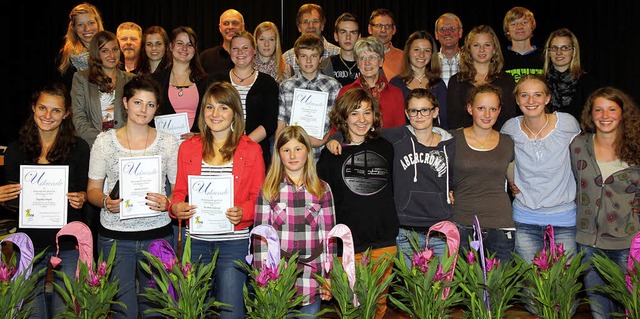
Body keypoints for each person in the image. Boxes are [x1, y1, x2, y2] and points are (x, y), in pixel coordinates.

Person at [169, 81, 265, 319]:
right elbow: (179, 193)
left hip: (234, 243)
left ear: (234, 112)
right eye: (210, 107)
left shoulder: (251, 149)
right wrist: (176, 208)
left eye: (223, 107)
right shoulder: (188, 148)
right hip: (196, 243)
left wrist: (244, 212)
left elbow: (260, 199)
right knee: (194, 312)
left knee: (231, 313)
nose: (215, 114)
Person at [85, 75, 178, 319]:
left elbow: (178, 191)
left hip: (157, 236)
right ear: (125, 103)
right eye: (138, 102)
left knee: (156, 310)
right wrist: (105, 201)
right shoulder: (104, 142)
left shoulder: (168, 143)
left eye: (150, 104)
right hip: (115, 239)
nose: (143, 109)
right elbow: (92, 190)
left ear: (157, 108)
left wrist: (168, 203)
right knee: (122, 311)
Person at [326, 88, 455, 260]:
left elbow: (461, 172)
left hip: (415, 231)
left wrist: (452, 188)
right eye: (413, 111)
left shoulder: (450, 143)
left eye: (425, 110)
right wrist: (335, 138)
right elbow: (354, 132)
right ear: (407, 114)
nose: (419, 115)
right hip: (366, 236)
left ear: (435, 112)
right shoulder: (395, 138)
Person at [2, 82, 90, 319]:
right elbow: (14, 205)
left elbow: (85, 193)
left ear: (66, 114)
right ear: (33, 108)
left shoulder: (79, 149)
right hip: (29, 244)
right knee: (32, 311)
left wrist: (82, 197)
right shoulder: (15, 150)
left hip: (68, 243)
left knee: (66, 311)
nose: (48, 116)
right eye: (43, 108)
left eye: (56, 110)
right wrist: (3, 197)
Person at [317, 88, 398, 319]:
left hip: (383, 239)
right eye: (354, 113)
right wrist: (332, 140)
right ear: (343, 117)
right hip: (347, 244)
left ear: (374, 116)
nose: (362, 120)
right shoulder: (331, 154)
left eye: (367, 112)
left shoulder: (386, 148)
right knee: (348, 306)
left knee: (378, 304)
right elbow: (322, 199)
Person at [570, 87, 640, 319]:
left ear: (622, 113)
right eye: (598, 110)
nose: (605, 115)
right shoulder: (579, 146)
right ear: (591, 114)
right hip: (588, 242)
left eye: (612, 109)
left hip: (626, 243)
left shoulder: (637, 148)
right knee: (599, 311)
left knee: (628, 309)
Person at [253, 125, 335, 318]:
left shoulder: (322, 189)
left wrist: (329, 276)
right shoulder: (268, 190)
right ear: (278, 153)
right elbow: (260, 240)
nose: (292, 155)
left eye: (298, 149)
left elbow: (329, 238)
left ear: (308, 150)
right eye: (286, 150)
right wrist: (263, 278)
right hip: (278, 277)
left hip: (312, 276)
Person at [500, 74, 580, 265]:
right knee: (531, 287)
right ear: (517, 99)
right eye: (524, 95)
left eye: (537, 95)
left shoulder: (567, 123)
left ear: (547, 98)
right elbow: (506, 160)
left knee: (565, 285)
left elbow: (582, 158)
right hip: (525, 217)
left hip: (564, 217)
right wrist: (511, 180)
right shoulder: (510, 128)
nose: (531, 101)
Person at [450, 84, 515, 262]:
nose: (487, 115)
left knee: (499, 288)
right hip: (462, 223)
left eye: (493, 109)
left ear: (499, 110)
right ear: (470, 108)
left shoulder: (508, 142)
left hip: (500, 225)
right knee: (464, 288)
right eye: (481, 108)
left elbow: (516, 182)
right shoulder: (451, 139)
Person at [213, 30, 279, 167]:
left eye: (245, 48)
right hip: (219, 150)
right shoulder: (217, 80)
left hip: (254, 152)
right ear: (229, 51)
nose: (240, 52)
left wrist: (242, 145)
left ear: (254, 51)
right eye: (235, 48)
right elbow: (209, 114)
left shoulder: (268, 83)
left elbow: (269, 123)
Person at [276, 33, 342, 162]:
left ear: (321, 58)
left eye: (313, 56)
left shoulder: (333, 86)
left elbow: (339, 122)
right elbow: (281, 125)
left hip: (324, 155)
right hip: (293, 157)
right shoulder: (286, 86)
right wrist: (278, 155)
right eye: (303, 56)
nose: (308, 61)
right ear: (296, 59)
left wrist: (323, 140)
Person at [71, 30, 135, 147]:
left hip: (126, 145)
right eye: (105, 51)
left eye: (115, 49)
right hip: (92, 146)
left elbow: (137, 115)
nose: (111, 55)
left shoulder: (131, 79)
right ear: (96, 53)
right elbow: (78, 118)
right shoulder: (81, 78)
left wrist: (121, 141)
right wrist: (103, 141)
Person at [447, 25, 516, 131]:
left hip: (499, 139)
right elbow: (454, 121)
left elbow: (509, 118)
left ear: (494, 49)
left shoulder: (507, 80)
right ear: (469, 49)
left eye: (487, 45)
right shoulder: (456, 81)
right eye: (476, 45)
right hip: (465, 141)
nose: (482, 50)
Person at [152, 26, 210, 136]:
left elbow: (212, 116)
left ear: (195, 49)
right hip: (165, 144)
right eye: (179, 43)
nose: (184, 48)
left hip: (197, 144)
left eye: (189, 45)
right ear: (170, 46)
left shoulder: (205, 82)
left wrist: (198, 135)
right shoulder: (155, 80)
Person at [338, 36, 405, 129]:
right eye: (362, 58)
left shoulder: (396, 93)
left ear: (381, 61)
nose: (367, 63)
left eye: (372, 57)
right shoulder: (345, 92)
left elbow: (400, 132)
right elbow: (337, 129)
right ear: (357, 64)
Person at [389, 30, 448, 128]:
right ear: (408, 52)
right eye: (416, 50)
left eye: (427, 50)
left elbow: (444, 119)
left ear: (432, 54)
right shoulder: (395, 83)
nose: (421, 55)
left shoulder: (438, 84)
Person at [543, 28, 597, 122]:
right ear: (549, 52)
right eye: (554, 48)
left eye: (565, 48)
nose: (559, 52)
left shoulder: (587, 83)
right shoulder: (540, 83)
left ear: (573, 51)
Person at [282, 3, 340, 79]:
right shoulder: (287, 58)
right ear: (299, 27)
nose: (311, 26)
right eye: (306, 22)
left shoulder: (338, 53)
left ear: (322, 25)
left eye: (315, 21)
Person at [56, 3, 105, 89]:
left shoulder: (113, 51)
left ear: (98, 24)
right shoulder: (65, 57)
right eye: (80, 25)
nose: (87, 29)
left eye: (91, 23)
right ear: (74, 28)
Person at [502, 7, 544, 82]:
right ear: (507, 30)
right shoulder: (499, 58)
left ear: (532, 27)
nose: (519, 27)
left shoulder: (545, 57)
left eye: (524, 22)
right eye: (514, 24)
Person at [200, 9, 245, 79]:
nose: (230, 27)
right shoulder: (206, 57)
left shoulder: (251, 57)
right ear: (220, 28)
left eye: (235, 23)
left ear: (243, 27)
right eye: (226, 23)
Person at [322, 12, 361, 86]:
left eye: (353, 32)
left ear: (359, 37)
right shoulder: (325, 66)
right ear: (336, 36)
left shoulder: (368, 64)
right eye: (343, 32)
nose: (348, 37)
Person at [367, 8, 403, 80]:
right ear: (370, 29)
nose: (383, 30)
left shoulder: (404, 58)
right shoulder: (360, 55)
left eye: (388, 26)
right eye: (379, 26)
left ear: (394, 29)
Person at [434, 13, 463, 87]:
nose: (447, 33)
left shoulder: (470, 62)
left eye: (452, 28)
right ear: (436, 35)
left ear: (460, 33)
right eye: (443, 29)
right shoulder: (429, 63)